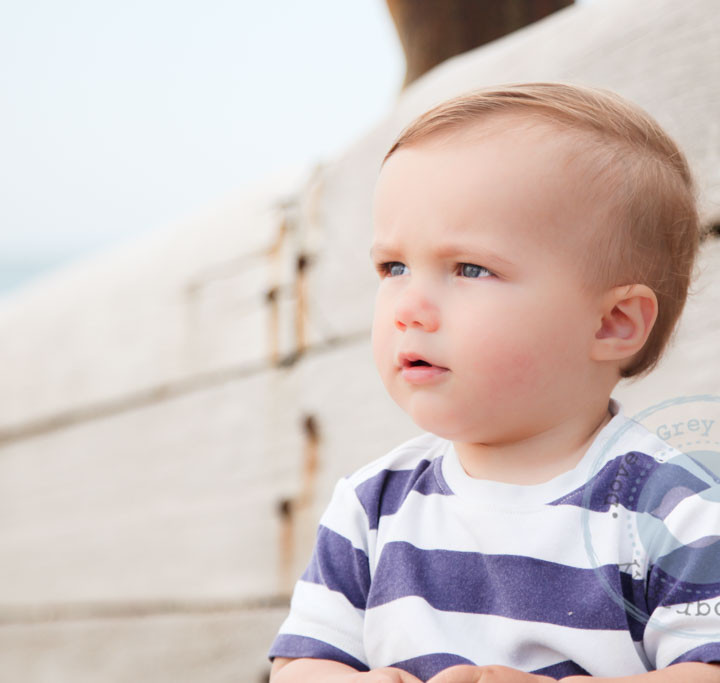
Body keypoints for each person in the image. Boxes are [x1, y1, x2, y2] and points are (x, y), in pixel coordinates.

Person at [266, 83, 720, 682]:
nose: (409, 307)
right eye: (394, 267)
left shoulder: (671, 512)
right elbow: (302, 662)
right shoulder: (372, 506)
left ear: (612, 322)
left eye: (470, 268)